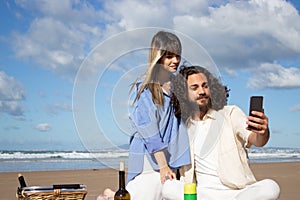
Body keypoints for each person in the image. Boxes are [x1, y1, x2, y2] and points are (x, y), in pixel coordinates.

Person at [161, 65, 280, 200]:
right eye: (194, 88)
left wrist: (262, 131)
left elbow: (257, 140)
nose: (202, 91)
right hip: (201, 194)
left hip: (236, 193)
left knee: (271, 187)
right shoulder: (183, 127)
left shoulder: (230, 113)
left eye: (205, 86)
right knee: (168, 187)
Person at [100, 31, 191, 200]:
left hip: (170, 155)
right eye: (169, 56)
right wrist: (163, 166)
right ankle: (110, 196)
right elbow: (150, 132)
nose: (176, 61)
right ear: (158, 56)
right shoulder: (147, 89)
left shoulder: (179, 86)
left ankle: (112, 195)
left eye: (177, 55)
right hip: (149, 156)